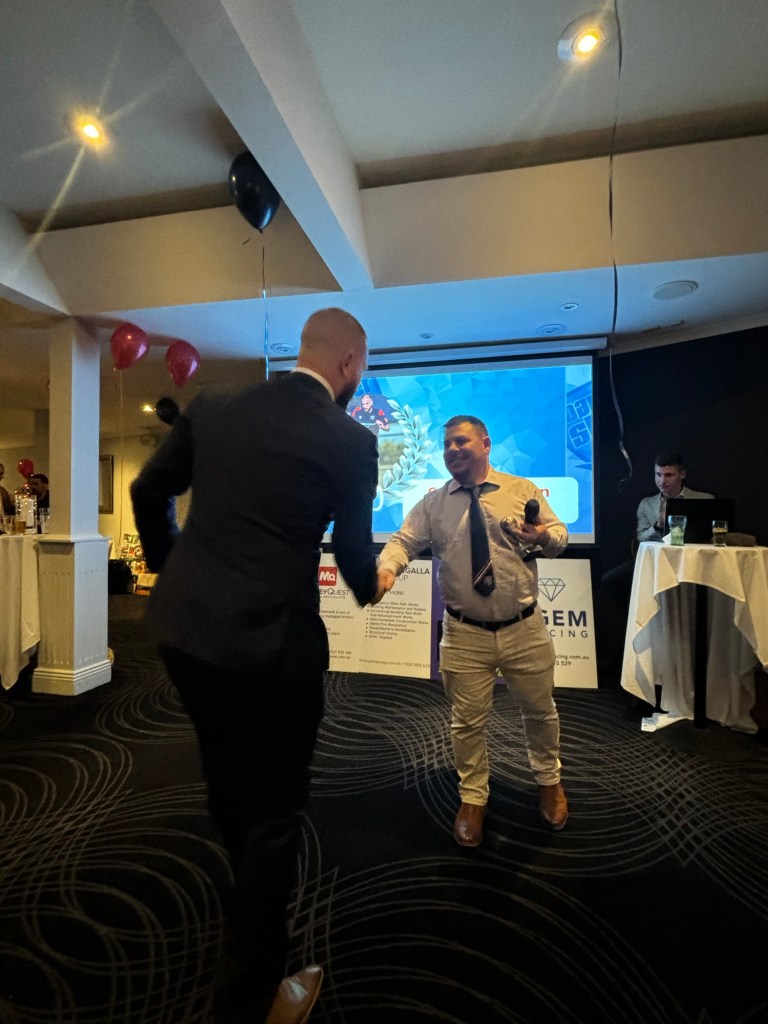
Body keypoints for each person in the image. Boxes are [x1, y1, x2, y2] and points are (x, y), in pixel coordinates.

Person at [130, 308, 380, 1024]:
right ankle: (251, 999)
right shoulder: (351, 440)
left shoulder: (214, 404)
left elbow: (147, 492)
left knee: (228, 780)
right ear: (350, 364)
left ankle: (244, 890)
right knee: (275, 815)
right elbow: (354, 558)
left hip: (184, 635)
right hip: (271, 647)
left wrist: (174, 569)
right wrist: (376, 584)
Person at [376, 415, 569, 847]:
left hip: (524, 629)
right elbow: (403, 541)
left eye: (461, 441)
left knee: (541, 712)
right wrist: (387, 569)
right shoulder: (434, 504)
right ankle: (473, 797)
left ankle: (548, 781)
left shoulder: (521, 490)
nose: (451, 450)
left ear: (485, 444)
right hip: (464, 634)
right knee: (466, 723)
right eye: (446, 444)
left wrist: (542, 536)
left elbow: (559, 535)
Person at [636, 452, 712, 542]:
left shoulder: (705, 500)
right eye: (658, 474)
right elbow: (640, 538)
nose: (662, 481)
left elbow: (713, 536)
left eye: (668, 475)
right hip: (661, 551)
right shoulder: (646, 504)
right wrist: (659, 526)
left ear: (683, 474)